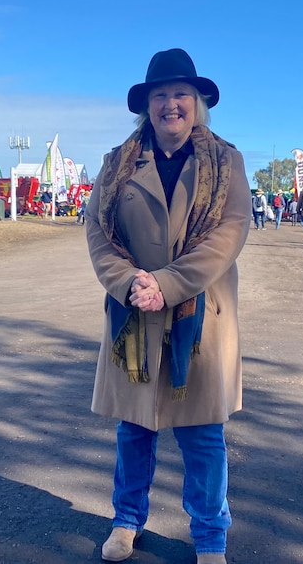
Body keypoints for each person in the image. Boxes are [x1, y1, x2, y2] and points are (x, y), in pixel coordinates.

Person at [84, 48, 251, 564]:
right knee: (134, 430)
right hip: (134, 312)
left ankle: (210, 539)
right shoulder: (118, 163)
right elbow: (98, 232)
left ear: (198, 104)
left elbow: (230, 233)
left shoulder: (227, 162)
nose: (171, 105)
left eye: (181, 95)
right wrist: (129, 282)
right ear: (146, 106)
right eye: (160, 96)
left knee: (203, 437)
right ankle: (126, 521)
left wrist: (169, 284)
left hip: (200, 318)